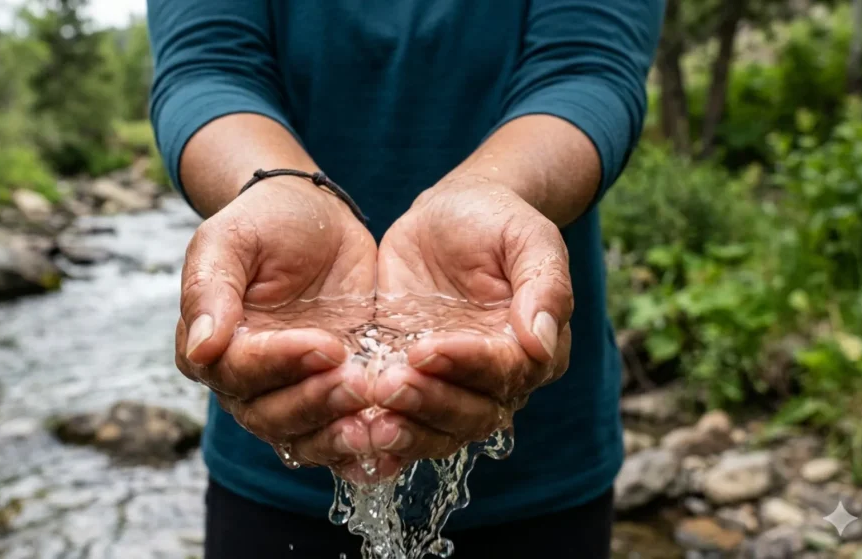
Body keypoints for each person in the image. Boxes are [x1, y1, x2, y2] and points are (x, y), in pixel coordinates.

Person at [148, 1, 663, 557]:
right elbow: (207, 67)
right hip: (273, 452)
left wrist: (492, 191)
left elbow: (587, 69)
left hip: (544, 462)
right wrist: (278, 187)